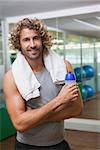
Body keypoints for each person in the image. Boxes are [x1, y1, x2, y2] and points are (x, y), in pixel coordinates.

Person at [3, 18, 83, 150]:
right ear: (19, 43)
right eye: (26, 40)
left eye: (35, 38)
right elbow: (20, 124)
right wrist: (60, 101)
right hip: (27, 146)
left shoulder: (64, 67)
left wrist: (34, 117)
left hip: (59, 143)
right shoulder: (11, 77)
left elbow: (77, 108)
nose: (32, 44)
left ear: (42, 40)